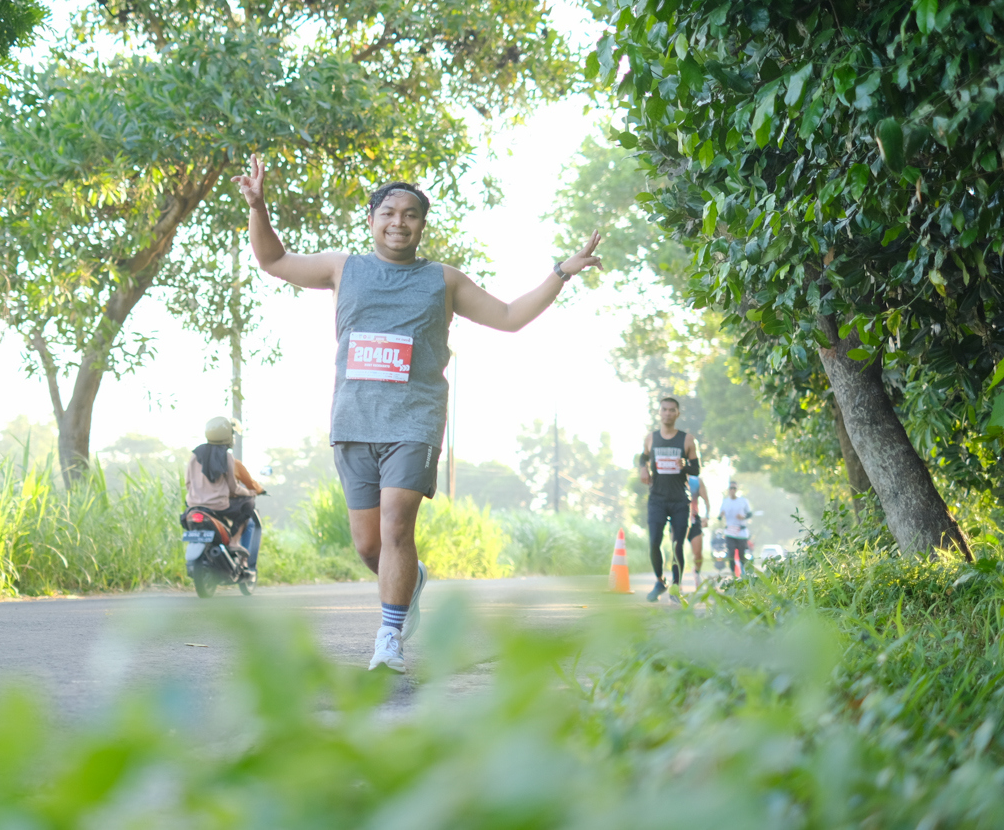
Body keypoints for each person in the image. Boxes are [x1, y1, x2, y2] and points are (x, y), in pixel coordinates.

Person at [233, 154, 602, 673]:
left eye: (410, 215)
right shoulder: (344, 268)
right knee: (369, 545)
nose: (398, 222)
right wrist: (258, 206)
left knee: (396, 525)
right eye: (388, 213)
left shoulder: (443, 280)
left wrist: (560, 272)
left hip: (415, 421)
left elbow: (509, 316)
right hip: (353, 421)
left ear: (422, 225)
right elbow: (273, 260)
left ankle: (389, 640)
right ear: (371, 220)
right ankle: (413, 581)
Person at [637, 397, 700, 603]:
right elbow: (643, 457)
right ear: (659, 412)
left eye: (672, 410)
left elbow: (696, 469)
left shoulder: (687, 439)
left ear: (677, 413)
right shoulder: (651, 438)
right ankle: (660, 581)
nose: (668, 413)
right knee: (654, 541)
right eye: (664, 409)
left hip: (680, 501)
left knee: (676, 545)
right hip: (657, 499)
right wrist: (643, 469)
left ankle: (675, 587)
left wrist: (685, 465)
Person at [185, 417, 264, 576]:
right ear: (227, 435)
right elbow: (233, 488)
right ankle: (234, 541)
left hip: (194, 506)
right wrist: (249, 493)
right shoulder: (227, 457)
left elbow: (188, 482)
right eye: (232, 434)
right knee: (248, 504)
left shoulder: (195, 454)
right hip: (218, 506)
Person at [718, 479, 753, 576]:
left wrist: (743, 517)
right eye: (731, 488)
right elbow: (719, 517)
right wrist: (721, 515)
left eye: (734, 488)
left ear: (737, 489)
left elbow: (750, 514)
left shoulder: (743, 501)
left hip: (741, 532)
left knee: (742, 553)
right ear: (728, 489)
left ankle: (744, 573)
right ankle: (733, 573)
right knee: (731, 552)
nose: (733, 490)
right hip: (730, 532)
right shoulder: (725, 502)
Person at [687, 474, 711, 591]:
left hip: (694, 520)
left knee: (698, 554)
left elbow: (706, 500)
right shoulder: (671, 477)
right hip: (677, 519)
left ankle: (696, 572)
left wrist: (707, 517)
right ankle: (677, 581)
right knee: (676, 550)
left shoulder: (696, 481)